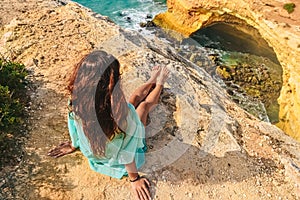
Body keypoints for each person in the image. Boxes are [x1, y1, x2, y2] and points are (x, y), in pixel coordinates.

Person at [48, 50, 169, 200]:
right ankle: (159, 83)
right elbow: (127, 149)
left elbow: (72, 124)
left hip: (96, 156)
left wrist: (74, 145)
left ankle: (152, 79)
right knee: (142, 106)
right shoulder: (122, 114)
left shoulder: (76, 102)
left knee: (133, 101)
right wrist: (134, 179)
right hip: (117, 161)